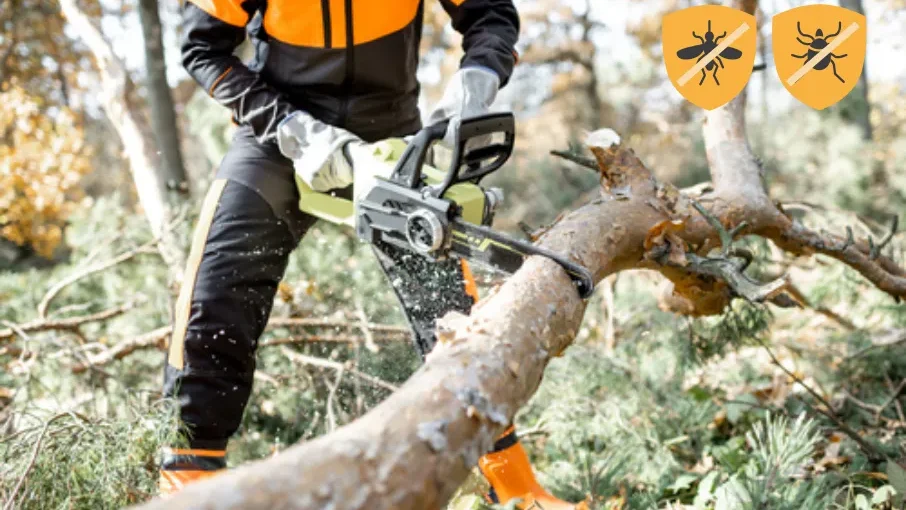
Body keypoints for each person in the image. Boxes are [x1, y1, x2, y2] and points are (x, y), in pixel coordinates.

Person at [160, 1, 586, 508]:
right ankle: (186, 489)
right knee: (215, 299)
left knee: (452, 319)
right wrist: (294, 129)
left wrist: (478, 78)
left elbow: (490, 14)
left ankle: (512, 484)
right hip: (277, 133)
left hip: (391, 133)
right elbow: (203, 48)